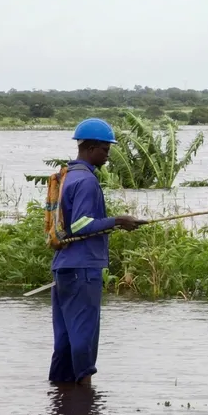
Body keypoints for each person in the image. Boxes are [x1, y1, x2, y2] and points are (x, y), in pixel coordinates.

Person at [49, 118, 143, 386]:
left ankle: (60, 394)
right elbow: (80, 225)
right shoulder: (87, 181)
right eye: (105, 149)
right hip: (82, 269)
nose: (108, 155)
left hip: (64, 266)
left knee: (65, 338)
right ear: (90, 148)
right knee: (84, 336)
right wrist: (118, 221)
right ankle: (84, 394)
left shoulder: (67, 176)